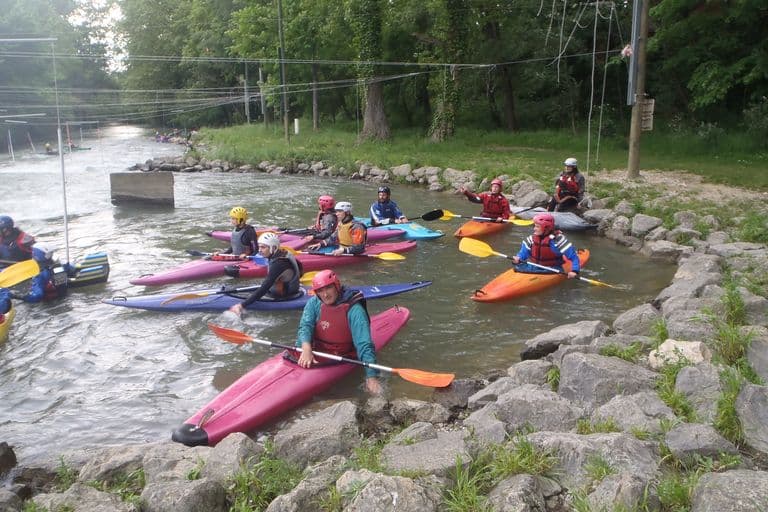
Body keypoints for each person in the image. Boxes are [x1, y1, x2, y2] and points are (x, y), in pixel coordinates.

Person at [295, 269, 382, 394]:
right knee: (302, 341)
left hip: (343, 353)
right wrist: (306, 348)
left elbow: (364, 344)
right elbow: (305, 326)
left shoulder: (354, 309)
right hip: (316, 349)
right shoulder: (314, 303)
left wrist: (371, 376)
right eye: (320, 290)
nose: (325, 294)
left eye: (328, 288)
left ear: (337, 286)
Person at [228, 232, 304, 316]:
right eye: (259, 246)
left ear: (273, 248)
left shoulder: (279, 264)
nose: (259, 250)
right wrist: (293, 280)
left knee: (254, 292)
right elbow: (300, 266)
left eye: (263, 247)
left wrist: (241, 305)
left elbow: (264, 288)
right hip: (294, 290)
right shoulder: (284, 252)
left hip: (284, 296)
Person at [510, 213, 580, 279]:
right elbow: (523, 253)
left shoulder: (558, 240)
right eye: (535, 226)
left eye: (537, 226)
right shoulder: (531, 239)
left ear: (546, 228)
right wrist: (518, 258)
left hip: (552, 269)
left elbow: (574, 257)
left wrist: (574, 271)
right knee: (519, 266)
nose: (534, 229)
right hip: (534, 266)